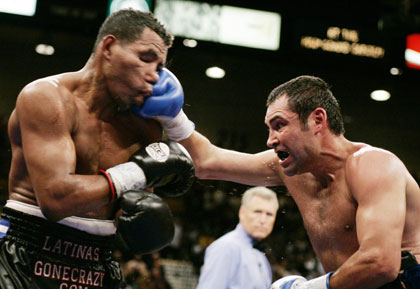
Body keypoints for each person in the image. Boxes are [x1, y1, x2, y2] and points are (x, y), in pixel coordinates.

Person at [143, 74, 420, 288]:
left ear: (317, 120)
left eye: (279, 125)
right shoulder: (290, 171)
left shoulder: (373, 165)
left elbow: (381, 262)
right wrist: (173, 114)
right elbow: (207, 163)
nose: (270, 140)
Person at [0, 9, 195, 289]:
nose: (154, 76)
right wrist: (138, 171)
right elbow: (55, 200)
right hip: (26, 254)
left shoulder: (146, 127)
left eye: (160, 67)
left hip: (98, 260)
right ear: (108, 47)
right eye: (146, 58)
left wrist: (148, 219)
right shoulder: (46, 98)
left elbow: (129, 208)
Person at [196, 186, 279, 289]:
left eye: (269, 214)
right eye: (257, 212)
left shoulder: (261, 257)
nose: (263, 220)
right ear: (242, 212)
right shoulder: (226, 247)